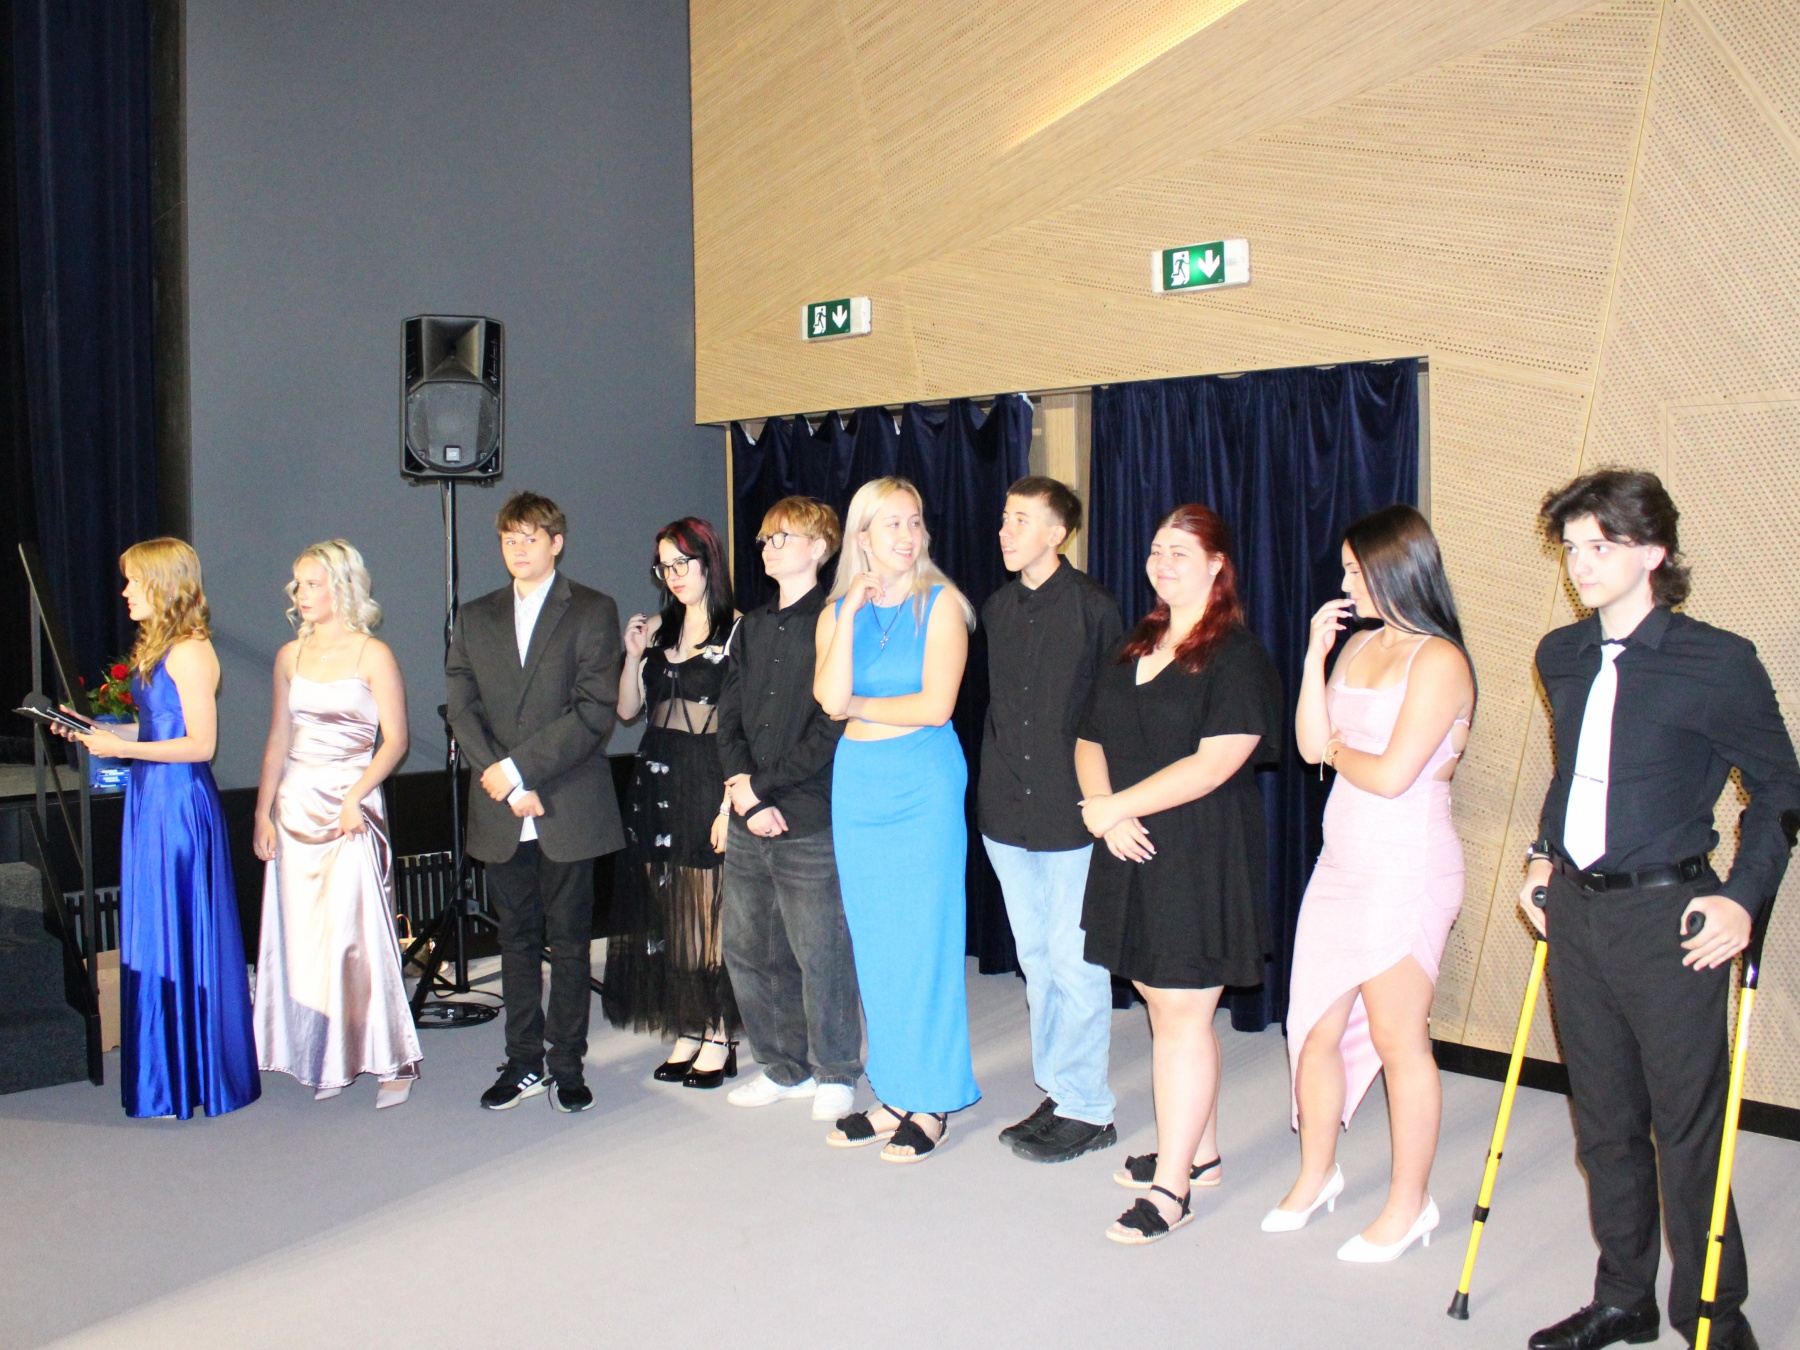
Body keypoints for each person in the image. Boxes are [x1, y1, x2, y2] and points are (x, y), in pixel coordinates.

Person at [1518, 471, 1798, 1350]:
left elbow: (1781, 786)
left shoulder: (1718, 661)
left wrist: (1742, 898)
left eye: (1601, 546)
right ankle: (1624, 1297)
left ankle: (1712, 1312)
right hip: (1577, 914)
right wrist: (1541, 851)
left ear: (1654, 553)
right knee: (1603, 1123)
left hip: (1670, 920)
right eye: (1572, 547)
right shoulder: (1561, 654)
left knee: (1687, 1130)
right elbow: (1575, 773)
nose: (1581, 565)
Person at [1265, 504, 1473, 1260]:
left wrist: (1338, 749)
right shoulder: (1357, 646)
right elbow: (1307, 744)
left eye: (1357, 570)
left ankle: (1409, 1204)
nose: (1346, 584)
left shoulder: (1440, 660)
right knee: (1312, 1026)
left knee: (1397, 1038)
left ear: (1397, 569)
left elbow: (1388, 776)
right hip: (1342, 865)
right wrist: (1314, 659)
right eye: (1346, 570)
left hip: (1406, 866)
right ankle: (1316, 1173)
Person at [1075, 504, 1282, 1243]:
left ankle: (1172, 1187)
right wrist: (1104, 812)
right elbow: (1089, 736)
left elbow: (1215, 763)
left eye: (1180, 551)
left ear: (1217, 564)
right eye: (1156, 549)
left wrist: (1115, 808)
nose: (1162, 562)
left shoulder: (1237, 654)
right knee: (1166, 1008)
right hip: (1130, 841)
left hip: (1198, 850)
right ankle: (1203, 1153)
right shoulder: (1137, 642)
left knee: (1184, 1015)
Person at [60, 539, 259, 1119]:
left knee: (179, 927)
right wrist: (96, 731)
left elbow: (201, 745)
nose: (125, 592)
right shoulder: (161, 646)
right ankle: (170, 1074)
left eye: (134, 581)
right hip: (152, 798)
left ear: (164, 585)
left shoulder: (191, 651)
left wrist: (120, 747)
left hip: (177, 805)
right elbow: (156, 729)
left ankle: (191, 1075)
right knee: (158, 928)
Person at [815, 475, 980, 1162]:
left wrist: (858, 705)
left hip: (922, 784)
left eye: (915, 522)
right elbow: (828, 697)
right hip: (859, 786)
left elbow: (935, 707)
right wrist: (850, 612)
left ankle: (931, 1098)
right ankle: (893, 1092)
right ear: (862, 537)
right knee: (876, 944)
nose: (909, 536)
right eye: (893, 524)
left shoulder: (941, 605)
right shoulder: (837, 612)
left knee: (925, 942)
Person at [447, 492, 623, 1114]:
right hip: (500, 803)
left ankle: (567, 1065)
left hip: (565, 799)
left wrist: (521, 771)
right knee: (516, 941)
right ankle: (522, 1061)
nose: (518, 549)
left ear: (556, 543)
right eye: (509, 539)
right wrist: (503, 777)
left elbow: (594, 711)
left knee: (570, 943)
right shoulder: (475, 616)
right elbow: (461, 706)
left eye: (530, 537)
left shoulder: (593, 610)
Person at [980, 476, 1124, 1163]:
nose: (1005, 532)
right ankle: (1061, 1088)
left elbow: (1111, 716)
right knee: (1036, 961)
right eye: (1005, 519)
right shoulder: (996, 608)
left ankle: (1090, 1108)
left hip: (1071, 813)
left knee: (1076, 962)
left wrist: (1109, 803)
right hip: (1006, 811)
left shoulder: (1096, 609)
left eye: (1021, 520)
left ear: (1056, 533)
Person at [251, 539, 421, 1108]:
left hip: (351, 802)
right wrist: (263, 811)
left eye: (313, 583)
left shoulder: (374, 654)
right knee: (306, 942)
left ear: (342, 587)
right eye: (298, 584)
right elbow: (278, 739)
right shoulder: (288, 656)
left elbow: (395, 740)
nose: (301, 594)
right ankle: (327, 1054)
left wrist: (356, 796)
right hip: (296, 806)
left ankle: (392, 1059)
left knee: (359, 937)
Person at [717, 497, 863, 1123]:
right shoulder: (750, 627)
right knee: (748, 948)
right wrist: (743, 792)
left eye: (783, 538)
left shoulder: (835, 621)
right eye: (766, 540)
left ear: (820, 547)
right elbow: (727, 718)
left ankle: (836, 1070)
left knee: (821, 951)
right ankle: (784, 1067)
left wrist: (763, 790)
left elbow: (833, 724)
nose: (769, 548)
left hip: (807, 813)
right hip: (749, 813)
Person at [602, 517, 741, 1086]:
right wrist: (633, 655)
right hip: (655, 779)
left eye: (683, 562)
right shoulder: (658, 630)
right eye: (665, 566)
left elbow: (743, 728)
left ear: (708, 561)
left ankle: (719, 1033)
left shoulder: (738, 630)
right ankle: (688, 1023)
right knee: (671, 915)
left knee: (707, 912)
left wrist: (730, 804)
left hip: (708, 778)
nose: (675, 575)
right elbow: (627, 710)